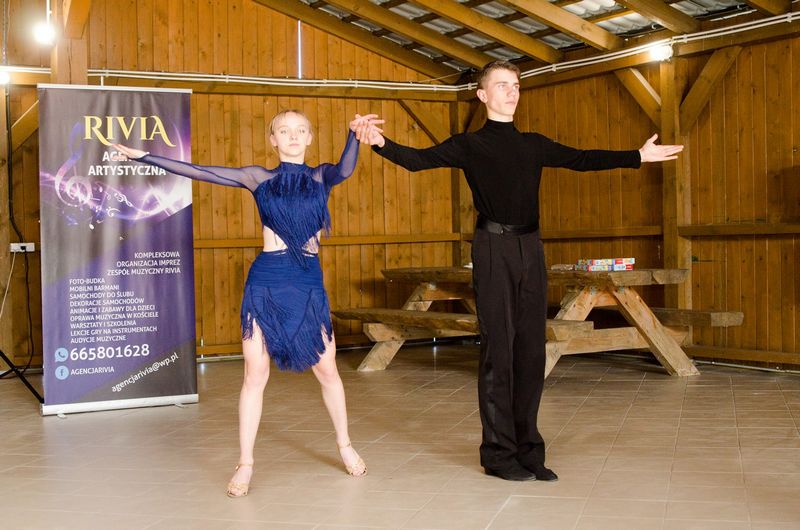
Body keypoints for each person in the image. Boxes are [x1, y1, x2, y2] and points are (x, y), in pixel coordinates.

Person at [355, 60, 683, 482]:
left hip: (531, 248)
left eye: (515, 85)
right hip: (493, 247)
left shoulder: (533, 145)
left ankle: (530, 450)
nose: (512, 91)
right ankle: (498, 455)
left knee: (530, 348)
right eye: (502, 85)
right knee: (499, 348)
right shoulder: (470, 144)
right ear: (483, 95)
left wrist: (637, 156)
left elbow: (582, 159)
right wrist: (379, 142)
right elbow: (417, 160)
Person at [114, 110, 384, 497]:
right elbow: (200, 171)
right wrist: (145, 156)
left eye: (300, 130)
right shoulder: (259, 178)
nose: (293, 136)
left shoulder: (320, 176)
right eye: (284, 131)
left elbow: (345, 169)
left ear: (310, 137)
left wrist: (354, 135)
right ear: (272, 140)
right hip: (266, 280)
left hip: (307, 282)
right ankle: (245, 463)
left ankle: (345, 445)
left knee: (327, 370)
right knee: (254, 374)